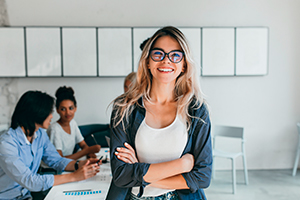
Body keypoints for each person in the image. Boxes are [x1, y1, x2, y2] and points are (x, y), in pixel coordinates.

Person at [107, 26, 212, 200]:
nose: (166, 61)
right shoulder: (124, 108)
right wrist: (181, 165)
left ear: (184, 65)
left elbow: (203, 177)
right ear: (147, 61)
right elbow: (121, 175)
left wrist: (138, 170)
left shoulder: (196, 110)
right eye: (158, 54)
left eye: (175, 55)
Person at [0, 90, 100, 200]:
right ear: (37, 114)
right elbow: (30, 181)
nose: (52, 116)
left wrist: (79, 165)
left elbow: (56, 160)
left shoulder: (40, 134)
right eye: (49, 113)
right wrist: (74, 176)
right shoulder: (7, 143)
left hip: (26, 196)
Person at [47, 86, 101, 160]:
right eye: (63, 109)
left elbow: (83, 144)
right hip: (55, 170)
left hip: (68, 164)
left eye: (71, 108)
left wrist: (89, 153)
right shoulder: (55, 129)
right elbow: (59, 160)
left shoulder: (72, 123)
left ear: (75, 108)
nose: (68, 112)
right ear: (57, 110)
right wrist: (87, 151)